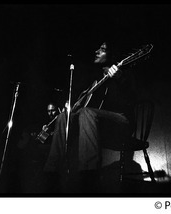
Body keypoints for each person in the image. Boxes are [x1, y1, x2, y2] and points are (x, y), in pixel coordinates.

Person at [44, 40, 140, 193]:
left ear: (112, 54)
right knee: (64, 116)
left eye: (102, 49)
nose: (97, 51)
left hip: (121, 124)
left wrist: (120, 77)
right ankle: (51, 173)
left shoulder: (124, 72)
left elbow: (133, 98)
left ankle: (89, 176)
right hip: (100, 126)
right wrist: (71, 105)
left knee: (86, 112)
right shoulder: (95, 78)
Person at [16, 102, 61, 193]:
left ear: (58, 110)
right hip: (45, 155)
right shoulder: (46, 122)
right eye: (49, 111)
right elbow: (40, 141)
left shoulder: (61, 121)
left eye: (53, 110)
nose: (51, 113)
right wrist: (44, 133)